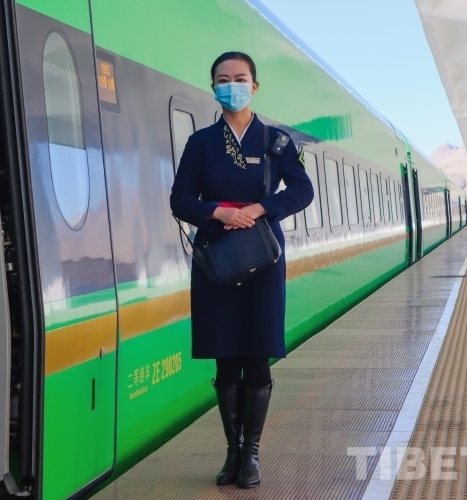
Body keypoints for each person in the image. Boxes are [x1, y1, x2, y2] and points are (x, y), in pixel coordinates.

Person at [170, 51, 313, 488]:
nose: (231, 85)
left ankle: (251, 452)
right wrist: (218, 212)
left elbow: (302, 191)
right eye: (222, 79)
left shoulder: (275, 142)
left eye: (239, 78)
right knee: (225, 355)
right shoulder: (200, 143)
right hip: (216, 259)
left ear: (254, 86)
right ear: (213, 86)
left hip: (262, 258)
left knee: (257, 353)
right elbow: (180, 200)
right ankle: (231, 451)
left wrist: (259, 208)